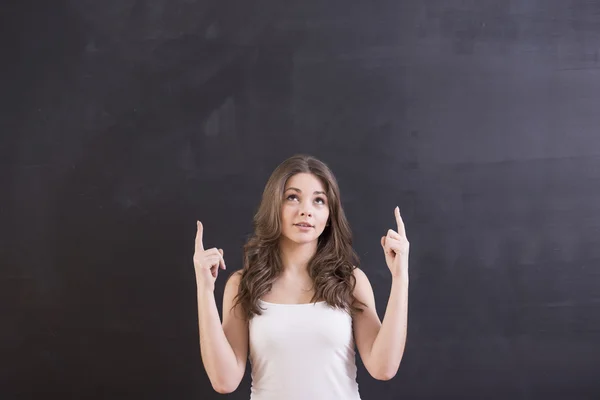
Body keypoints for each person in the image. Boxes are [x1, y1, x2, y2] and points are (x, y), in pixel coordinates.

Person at [194, 154, 410, 399]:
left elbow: (384, 368)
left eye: (319, 200)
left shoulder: (350, 281)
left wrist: (400, 277)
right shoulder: (244, 284)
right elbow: (225, 381)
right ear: (274, 206)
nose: (306, 210)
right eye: (293, 197)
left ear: (329, 215)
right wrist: (204, 289)